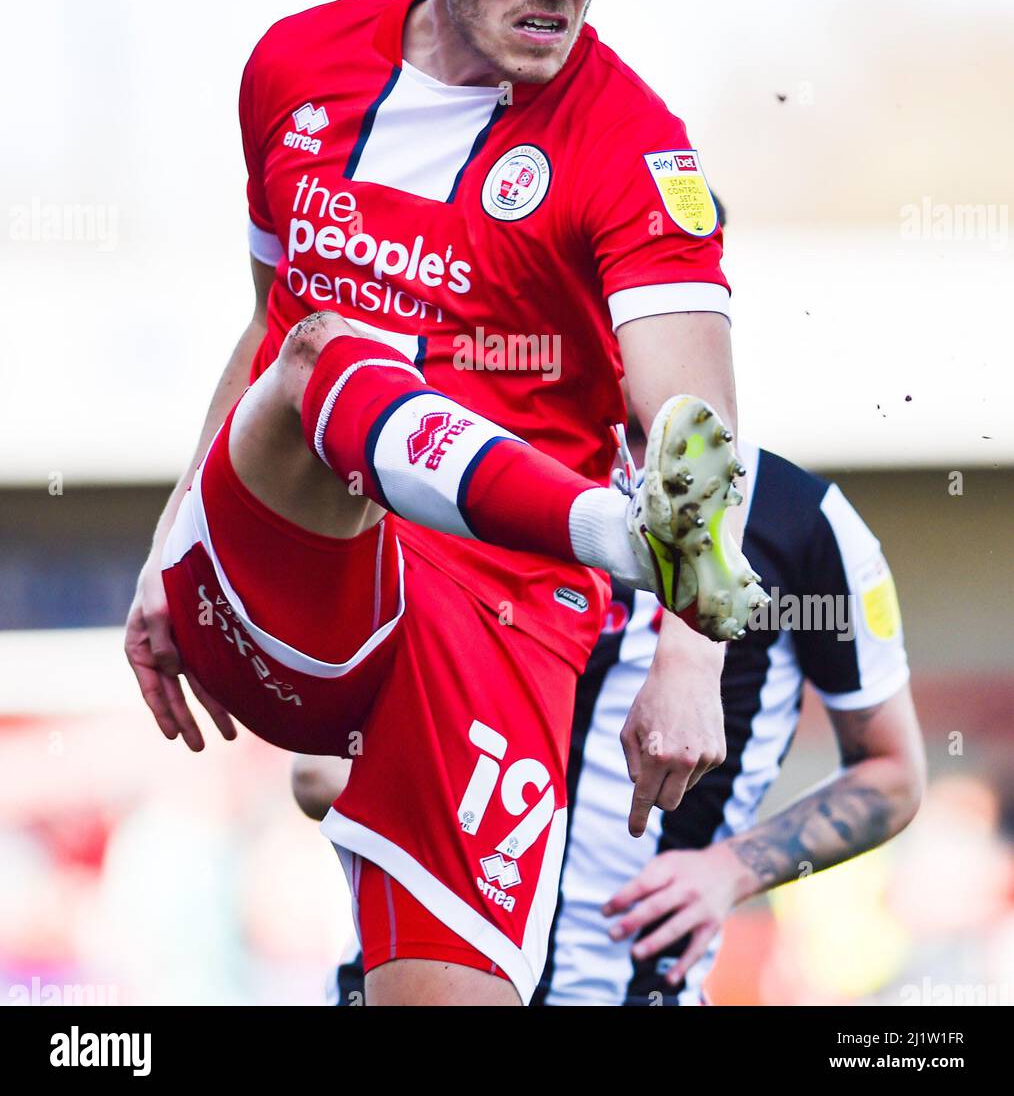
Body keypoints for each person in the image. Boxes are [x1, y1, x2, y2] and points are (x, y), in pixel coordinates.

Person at [124, 0, 760, 1007]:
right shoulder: (295, 68)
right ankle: (609, 535)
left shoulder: (632, 145)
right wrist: (173, 546)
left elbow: (695, 433)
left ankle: (359, 795)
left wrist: (687, 663)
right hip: (303, 575)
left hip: (505, 615)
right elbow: (268, 329)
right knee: (323, 356)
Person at [295, 429, 924, 1005]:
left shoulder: (800, 520)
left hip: (634, 988)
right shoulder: (461, 469)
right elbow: (316, 776)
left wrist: (732, 868)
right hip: (405, 980)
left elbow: (893, 775)